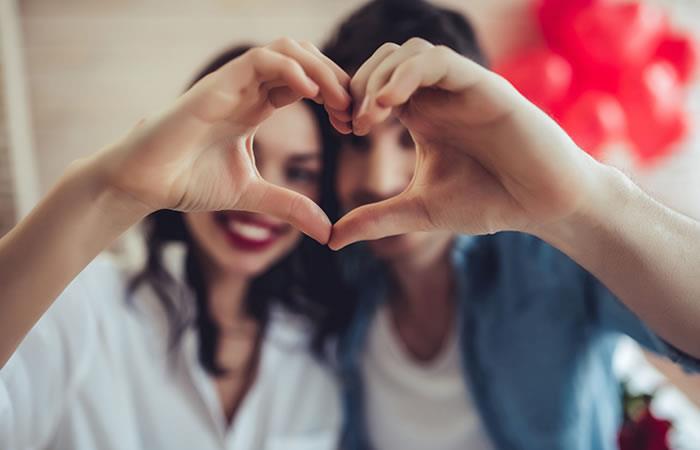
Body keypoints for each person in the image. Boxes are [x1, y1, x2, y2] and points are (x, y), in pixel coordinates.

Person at [315, 1, 700, 449]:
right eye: (358, 144)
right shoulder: (331, 284)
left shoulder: (550, 259)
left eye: (410, 139)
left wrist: (584, 201)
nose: (378, 180)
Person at [0, 40, 351, 450]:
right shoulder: (82, 304)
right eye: (243, 156)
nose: (262, 201)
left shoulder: (322, 349)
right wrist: (109, 192)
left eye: (300, 172)